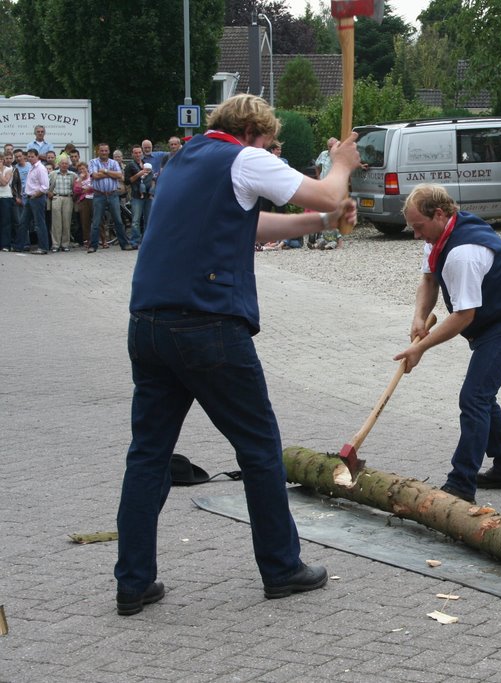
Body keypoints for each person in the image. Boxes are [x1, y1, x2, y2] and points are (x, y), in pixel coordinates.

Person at [114, 93, 362, 616]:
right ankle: (281, 567)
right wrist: (340, 170)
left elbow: (249, 227)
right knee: (258, 447)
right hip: (206, 326)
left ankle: (133, 582)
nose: (273, 153)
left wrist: (320, 223)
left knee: (148, 456)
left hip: (149, 326)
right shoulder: (244, 159)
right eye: (271, 144)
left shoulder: (183, 160)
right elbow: (323, 193)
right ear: (253, 132)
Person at [394, 183, 501, 505]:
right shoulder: (440, 237)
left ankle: (460, 484)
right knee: (482, 396)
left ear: (439, 214)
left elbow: (463, 315)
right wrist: (419, 317)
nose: (417, 235)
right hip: (492, 325)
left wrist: (420, 348)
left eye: (418, 227)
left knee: (473, 398)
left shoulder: (464, 251)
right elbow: (429, 279)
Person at [87, 142, 131, 252]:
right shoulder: (93, 162)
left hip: (113, 195)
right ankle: (93, 246)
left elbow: (119, 175)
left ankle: (124, 244)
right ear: (98, 151)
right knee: (96, 222)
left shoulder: (114, 162)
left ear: (109, 151)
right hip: (99, 195)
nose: (104, 152)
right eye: (101, 150)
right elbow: (95, 176)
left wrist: (105, 171)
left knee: (118, 221)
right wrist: (111, 174)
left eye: (106, 150)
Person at [18, 148, 50, 254]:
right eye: (29, 156)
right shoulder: (32, 168)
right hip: (29, 198)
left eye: (32, 156)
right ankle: (19, 246)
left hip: (37, 198)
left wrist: (35, 195)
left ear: (37, 157)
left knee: (39, 223)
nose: (30, 158)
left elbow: (45, 187)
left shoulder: (40, 168)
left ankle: (43, 247)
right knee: (23, 222)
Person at [124, 145, 154, 247]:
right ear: (132, 154)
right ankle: (134, 242)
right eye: (135, 153)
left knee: (148, 220)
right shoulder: (130, 165)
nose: (138, 155)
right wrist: (139, 174)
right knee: (135, 220)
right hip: (136, 196)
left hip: (148, 196)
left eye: (139, 152)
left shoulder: (146, 164)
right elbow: (127, 181)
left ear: (142, 153)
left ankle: (146, 241)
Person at [48, 154, 76, 251]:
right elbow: (46, 185)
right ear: (59, 164)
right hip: (56, 198)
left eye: (66, 164)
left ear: (68, 165)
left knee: (67, 222)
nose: (64, 165)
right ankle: (55, 244)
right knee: (56, 223)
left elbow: (76, 187)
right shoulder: (53, 174)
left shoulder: (73, 175)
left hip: (68, 198)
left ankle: (65, 244)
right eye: (62, 163)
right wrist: (49, 192)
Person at [0, 152, 14, 251]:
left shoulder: (9, 169)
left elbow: (5, 182)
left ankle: (5, 245)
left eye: (1, 160)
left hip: (5, 197)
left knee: (6, 222)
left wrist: (0, 172)